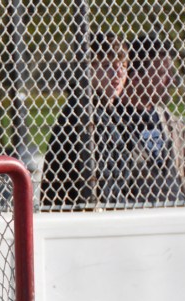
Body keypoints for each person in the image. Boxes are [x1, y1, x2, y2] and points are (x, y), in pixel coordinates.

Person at [116, 34, 185, 204]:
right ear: (136, 77)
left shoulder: (174, 125)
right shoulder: (112, 122)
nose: (171, 80)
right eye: (162, 73)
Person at [41, 32, 129, 208]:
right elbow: (104, 182)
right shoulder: (84, 113)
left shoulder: (110, 112)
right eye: (107, 65)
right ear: (89, 70)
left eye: (123, 66)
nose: (119, 73)